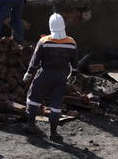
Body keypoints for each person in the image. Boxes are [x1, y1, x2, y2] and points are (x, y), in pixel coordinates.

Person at [23, 13, 78, 142]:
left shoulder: (44, 41)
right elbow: (75, 62)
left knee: (33, 98)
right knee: (56, 104)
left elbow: (35, 61)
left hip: (45, 74)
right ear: (63, 25)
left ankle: (31, 125)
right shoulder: (71, 42)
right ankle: (53, 133)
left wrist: (29, 73)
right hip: (61, 77)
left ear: (50, 26)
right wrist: (73, 74)